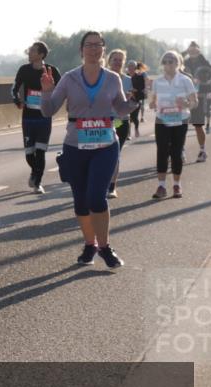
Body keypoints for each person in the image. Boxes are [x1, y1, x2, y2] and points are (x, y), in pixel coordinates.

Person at [39, 31, 139, 268]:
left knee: (97, 197)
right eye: (89, 45)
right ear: (81, 50)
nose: (94, 49)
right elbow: (48, 110)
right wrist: (46, 90)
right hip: (76, 146)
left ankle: (104, 247)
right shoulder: (70, 79)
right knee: (81, 201)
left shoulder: (113, 78)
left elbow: (122, 110)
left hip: (105, 145)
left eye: (98, 45)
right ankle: (89, 244)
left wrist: (135, 100)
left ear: (103, 49)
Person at [11, 41, 60, 195]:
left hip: (44, 117)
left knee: (40, 151)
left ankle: (37, 182)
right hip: (28, 117)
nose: (29, 53)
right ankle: (35, 171)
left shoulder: (52, 71)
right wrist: (17, 100)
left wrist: (52, 102)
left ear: (41, 54)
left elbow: (61, 91)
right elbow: (14, 88)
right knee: (29, 153)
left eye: (32, 51)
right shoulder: (24, 70)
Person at [149, 50, 199, 199]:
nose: (168, 64)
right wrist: (152, 103)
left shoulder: (185, 80)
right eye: (165, 61)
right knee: (162, 151)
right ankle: (161, 186)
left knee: (176, 152)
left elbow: (194, 103)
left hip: (180, 119)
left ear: (178, 63)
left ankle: (177, 185)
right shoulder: (157, 81)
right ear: (162, 64)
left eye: (172, 61)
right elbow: (152, 101)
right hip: (162, 120)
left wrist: (185, 103)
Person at [106, 49, 133, 198]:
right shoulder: (102, 76)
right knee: (101, 154)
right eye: (115, 59)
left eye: (120, 60)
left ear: (124, 62)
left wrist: (130, 100)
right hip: (102, 120)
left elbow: (131, 103)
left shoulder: (128, 80)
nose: (117, 62)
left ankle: (111, 187)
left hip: (119, 121)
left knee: (114, 153)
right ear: (109, 61)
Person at [183, 41, 210, 162]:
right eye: (190, 49)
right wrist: (184, 52)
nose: (192, 52)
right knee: (181, 125)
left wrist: (203, 85)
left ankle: (202, 151)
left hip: (199, 97)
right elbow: (174, 60)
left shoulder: (204, 62)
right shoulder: (184, 62)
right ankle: (180, 151)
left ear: (198, 51)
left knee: (198, 125)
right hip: (184, 97)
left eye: (195, 50)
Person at [127, 60, 145, 137]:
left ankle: (136, 129)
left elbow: (142, 87)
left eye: (132, 66)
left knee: (134, 117)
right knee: (127, 117)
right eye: (129, 66)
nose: (131, 68)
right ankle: (128, 133)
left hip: (136, 99)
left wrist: (135, 90)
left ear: (135, 67)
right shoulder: (125, 77)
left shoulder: (139, 77)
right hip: (127, 100)